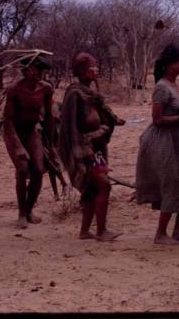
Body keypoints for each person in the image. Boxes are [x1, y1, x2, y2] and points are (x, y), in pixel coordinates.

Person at [136, 44, 179, 245]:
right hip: (165, 143)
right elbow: (157, 120)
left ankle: (178, 229)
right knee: (172, 183)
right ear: (169, 65)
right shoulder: (161, 87)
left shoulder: (173, 85)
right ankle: (160, 233)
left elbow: (177, 113)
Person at [59, 52, 125, 241]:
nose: (95, 70)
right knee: (103, 186)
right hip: (84, 151)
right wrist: (83, 151)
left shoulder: (90, 94)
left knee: (92, 189)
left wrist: (113, 121)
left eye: (96, 66)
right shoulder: (74, 95)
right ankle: (101, 231)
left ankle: (84, 231)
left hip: (96, 149)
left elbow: (103, 113)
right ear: (82, 70)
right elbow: (70, 129)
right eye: (92, 67)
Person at [3, 55, 55, 229]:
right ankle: (22, 214)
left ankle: (29, 209)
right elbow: (8, 120)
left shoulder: (46, 89)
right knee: (23, 169)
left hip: (32, 131)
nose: (40, 73)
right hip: (14, 133)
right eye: (37, 69)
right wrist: (17, 145)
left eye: (42, 69)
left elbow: (48, 117)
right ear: (26, 71)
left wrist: (51, 145)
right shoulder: (14, 90)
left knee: (38, 171)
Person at [41, 100, 68, 201]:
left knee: (52, 165)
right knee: (50, 166)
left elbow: (61, 120)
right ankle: (59, 189)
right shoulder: (41, 104)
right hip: (45, 138)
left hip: (54, 139)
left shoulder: (56, 105)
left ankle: (61, 188)